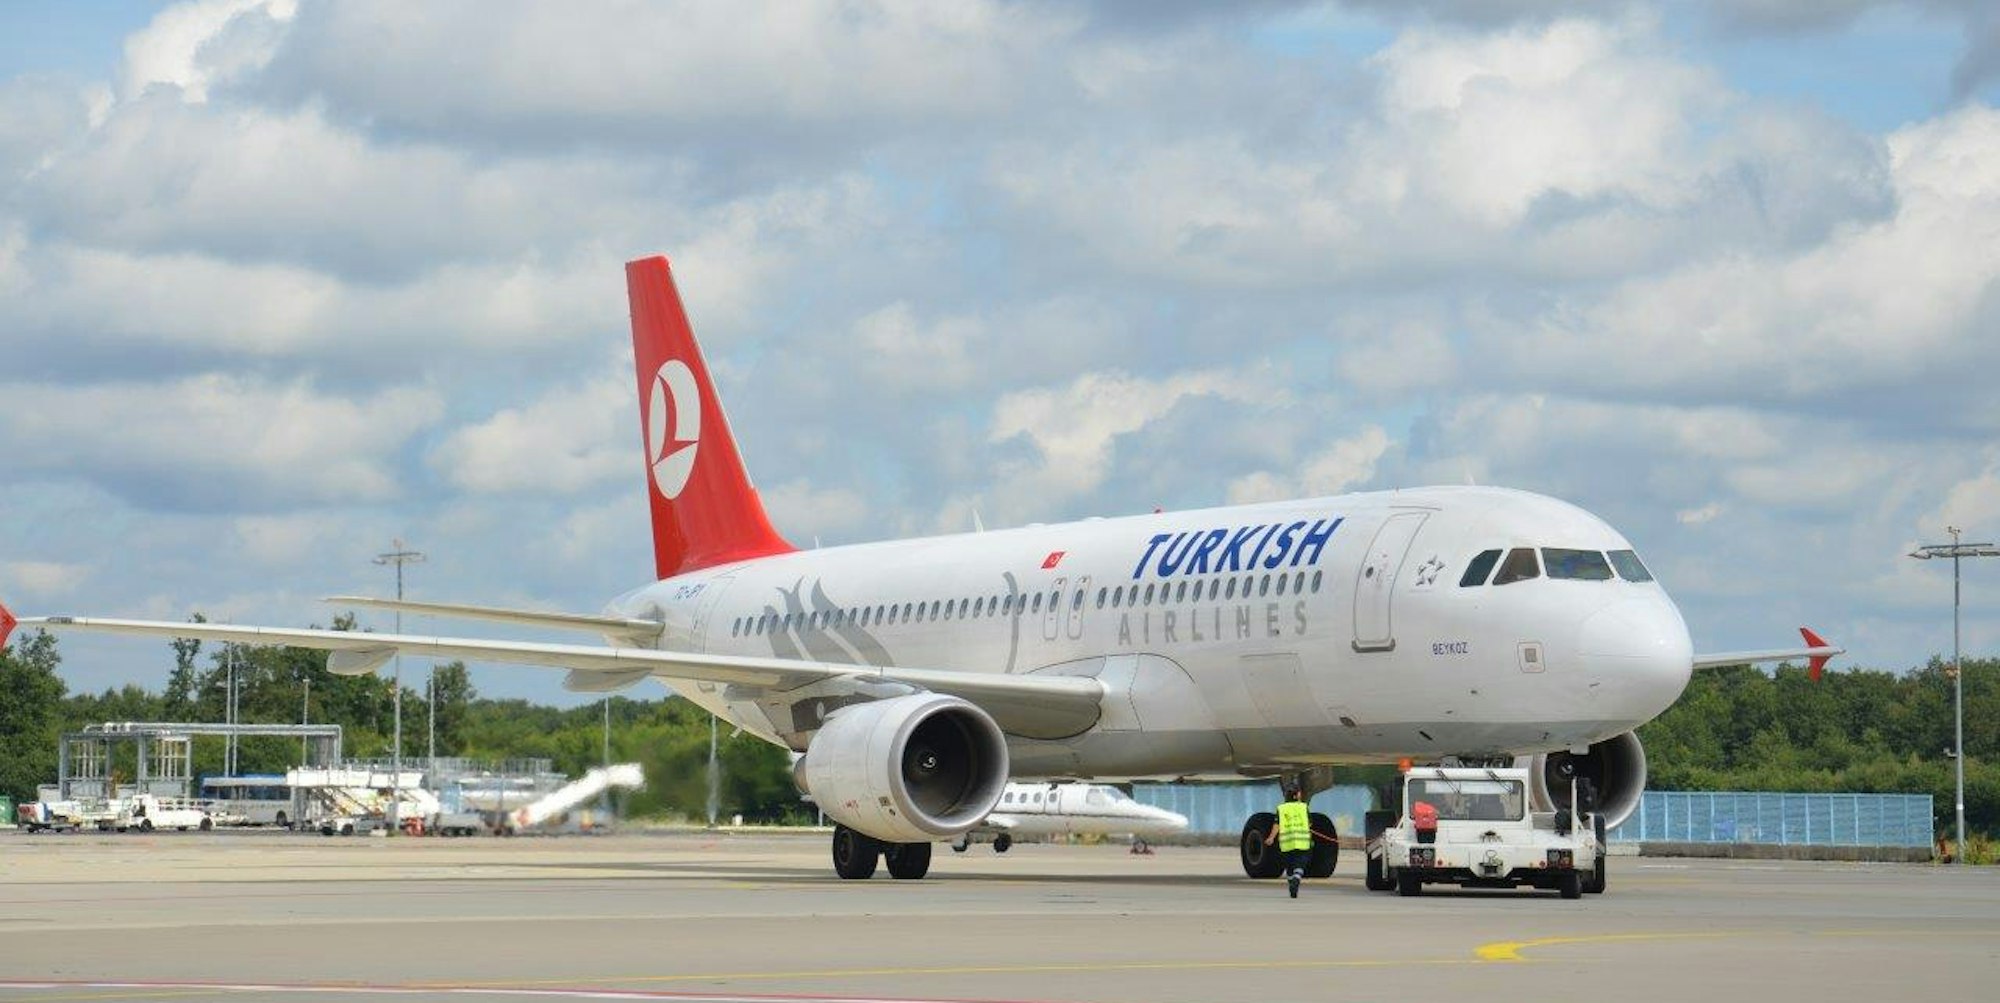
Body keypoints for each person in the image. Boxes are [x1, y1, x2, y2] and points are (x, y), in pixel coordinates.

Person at [1263, 785, 1315, 898]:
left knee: (1289, 866)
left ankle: (1292, 880)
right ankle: (1297, 878)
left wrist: (1271, 838)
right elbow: (1310, 823)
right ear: (1296, 796)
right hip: (1302, 842)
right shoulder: (1303, 807)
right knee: (1300, 863)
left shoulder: (1281, 808)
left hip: (1286, 843)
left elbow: (1277, 824)